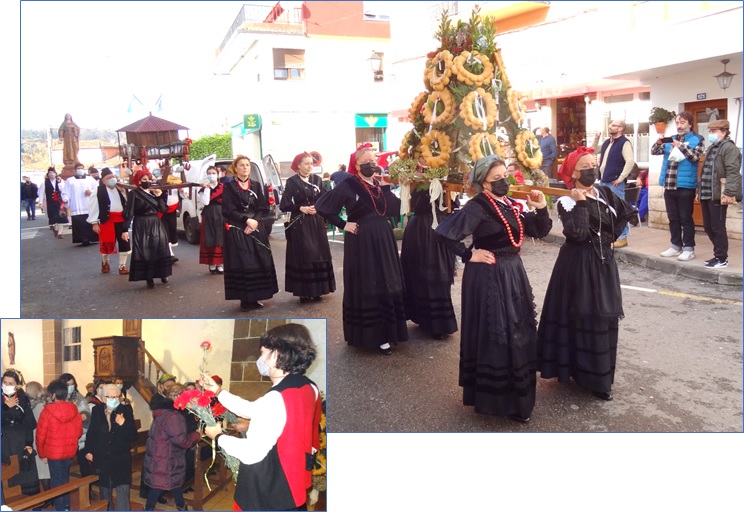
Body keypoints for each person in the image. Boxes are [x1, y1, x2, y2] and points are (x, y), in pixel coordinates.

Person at [434, 155, 552, 422]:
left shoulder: (509, 203)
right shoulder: (478, 206)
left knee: (516, 330)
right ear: (483, 183)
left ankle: (516, 395)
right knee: (498, 333)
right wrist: (468, 255)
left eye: (504, 176)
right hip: (489, 274)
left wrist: (541, 208)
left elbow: (539, 231)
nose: (502, 182)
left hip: (513, 272)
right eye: (496, 179)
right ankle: (498, 399)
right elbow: (443, 234)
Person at [538, 147, 637, 401]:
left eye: (594, 164)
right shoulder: (566, 200)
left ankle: (600, 376)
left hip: (603, 262)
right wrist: (581, 203)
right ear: (573, 172)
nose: (592, 169)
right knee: (584, 316)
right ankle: (583, 374)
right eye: (585, 166)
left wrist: (610, 237)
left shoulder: (603, 191)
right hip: (578, 265)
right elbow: (578, 233)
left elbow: (625, 212)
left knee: (604, 317)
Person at [202, 323, 322, 512]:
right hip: (293, 484)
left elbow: (251, 453)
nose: (260, 359)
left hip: (268, 491)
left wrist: (218, 437)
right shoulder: (308, 386)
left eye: (263, 352)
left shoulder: (276, 398)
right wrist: (217, 391)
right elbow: (254, 410)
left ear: (276, 354)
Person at [315, 145, 408, 355]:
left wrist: (389, 187)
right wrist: (343, 224)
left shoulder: (377, 184)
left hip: (384, 237)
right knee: (369, 282)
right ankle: (375, 336)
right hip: (362, 240)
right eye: (365, 161)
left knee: (387, 281)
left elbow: (394, 209)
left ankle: (390, 331)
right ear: (356, 165)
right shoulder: (348, 184)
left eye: (373, 160)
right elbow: (322, 206)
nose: (371, 164)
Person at [221, 155, 279, 311]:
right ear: (235, 168)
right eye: (241, 165)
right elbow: (228, 210)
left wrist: (254, 222)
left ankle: (256, 296)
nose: (245, 167)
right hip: (238, 229)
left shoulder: (256, 185)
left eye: (247, 165)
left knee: (259, 261)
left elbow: (263, 207)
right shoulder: (229, 187)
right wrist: (245, 221)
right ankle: (245, 300)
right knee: (244, 263)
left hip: (255, 227)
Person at [400, 186, 458, 340]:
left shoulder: (447, 180)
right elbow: (414, 203)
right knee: (419, 273)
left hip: (437, 228)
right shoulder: (414, 180)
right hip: (422, 229)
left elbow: (454, 204)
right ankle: (422, 316)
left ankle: (438, 322)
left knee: (438, 273)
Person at [279, 152, 336, 303]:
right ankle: (304, 291)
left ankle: (319, 289)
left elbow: (324, 198)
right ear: (298, 165)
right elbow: (284, 204)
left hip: (316, 222)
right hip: (300, 223)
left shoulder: (317, 180)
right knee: (304, 254)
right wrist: (300, 208)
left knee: (318, 253)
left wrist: (318, 208)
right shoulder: (291, 182)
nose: (310, 166)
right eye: (307, 163)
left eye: (311, 163)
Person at [652, 111, 704, 261]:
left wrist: (680, 146)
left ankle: (689, 248)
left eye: (682, 123)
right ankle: (675, 245)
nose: (679, 126)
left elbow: (695, 157)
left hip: (685, 186)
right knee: (673, 218)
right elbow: (654, 152)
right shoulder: (671, 139)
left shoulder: (697, 139)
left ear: (690, 124)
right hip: (669, 184)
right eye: (677, 123)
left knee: (685, 218)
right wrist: (658, 142)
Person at [142, 383, 200, 511]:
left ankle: (181, 506)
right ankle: (149, 508)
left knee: (172, 483)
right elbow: (182, 441)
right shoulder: (173, 416)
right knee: (160, 485)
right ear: (178, 396)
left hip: (164, 456)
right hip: (165, 458)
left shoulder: (164, 412)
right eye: (185, 396)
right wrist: (197, 435)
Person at [83, 383, 138, 511]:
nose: (113, 400)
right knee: (105, 490)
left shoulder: (126, 410)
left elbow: (133, 436)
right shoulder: (96, 411)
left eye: (116, 397)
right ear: (102, 399)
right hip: (103, 457)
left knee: (122, 490)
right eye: (109, 397)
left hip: (121, 457)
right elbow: (92, 432)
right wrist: (88, 450)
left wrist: (123, 423)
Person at [698, 119, 743, 269]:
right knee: (708, 227)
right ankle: (717, 254)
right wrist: (699, 190)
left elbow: (732, 171)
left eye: (714, 131)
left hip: (717, 194)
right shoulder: (712, 147)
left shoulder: (729, 148)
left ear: (724, 132)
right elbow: (705, 171)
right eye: (710, 131)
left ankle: (721, 258)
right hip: (706, 193)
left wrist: (729, 192)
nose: (711, 134)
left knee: (717, 227)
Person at [36, 379, 83, 512]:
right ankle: (66, 506)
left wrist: (42, 454)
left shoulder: (47, 411)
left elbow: (40, 436)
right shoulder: (73, 408)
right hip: (69, 451)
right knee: (64, 479)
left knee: (56, 482)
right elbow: (79, 432)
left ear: (53, 394)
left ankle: (60, 508)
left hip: (53, 453)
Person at [123, 169, 174, 288]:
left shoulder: (154, 193)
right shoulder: (134, 194)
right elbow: (129, 212)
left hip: (156, 222)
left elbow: (163, 209)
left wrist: (159, 196)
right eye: (144, 180)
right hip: (141, 223)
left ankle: (163, 273)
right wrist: (125, 229)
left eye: (149, 179)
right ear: (139, 181)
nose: (147, 181)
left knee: (160, 247)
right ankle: (148, 276)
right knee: (145, 249)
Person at [2, 369, 40, 497]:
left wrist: (29, 443)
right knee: (8, 477)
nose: (7, 386)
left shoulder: (22, 398)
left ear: (17, 385)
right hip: (5, 444)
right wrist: (6, 407)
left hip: (21, 442)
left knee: (26, 475)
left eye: (10, 383)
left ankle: (35, 505)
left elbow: (30, 423)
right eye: (5, 382)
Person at [598, 119, 635, 248]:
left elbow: (630, 161)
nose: (610, 126)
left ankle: (623, 237)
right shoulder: (607, 142)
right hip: (604, 180)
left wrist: (621, 178)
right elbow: (592, 149)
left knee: (619, 209)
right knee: (607, 210)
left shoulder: (624, 143)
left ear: (620, 129)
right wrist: (596, 139)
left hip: (615, 182)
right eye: (610, 124)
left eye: (614, 125)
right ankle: (611, 235)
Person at [87, 168, 132, 275]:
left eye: (113, 177)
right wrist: (94, 223)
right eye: (109, 178)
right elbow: (93, 206)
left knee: (124, 243)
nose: (112, 179)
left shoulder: (121, 188)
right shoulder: (99, 190)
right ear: (103, 181)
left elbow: (129, 203)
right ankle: (105, 262)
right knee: (106, 243)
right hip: (106, 220)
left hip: (121, 220)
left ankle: (122, 266)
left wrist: (124, 192)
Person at [59, 373, 93, 485]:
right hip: (64, 437)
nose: (70, 387)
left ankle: (88, 488)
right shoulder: (58, 397)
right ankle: (62, 490)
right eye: (68, 384)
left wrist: (84, 414)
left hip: (80, 436)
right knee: (64, 466)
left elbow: (85, 408)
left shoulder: (78, 397)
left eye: (72, 384)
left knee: (84, 464)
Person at [63, 162, 99, 246]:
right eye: (78, 169)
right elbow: (66, 192)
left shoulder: (90, 179)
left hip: (88, 204)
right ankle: (82, 239)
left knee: (89, 221)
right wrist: (65, 199)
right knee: (80, 223)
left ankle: (92, 238)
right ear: (75, 170)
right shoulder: (70, 180)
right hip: (77, 205)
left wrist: (91, 192)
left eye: (81, 168)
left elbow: (97, 188)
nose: (80, 170)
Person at [197, 165, 225, 274]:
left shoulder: (224, 187)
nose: (211, 175)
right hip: (208, 214)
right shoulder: (203, 189)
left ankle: (220, 263)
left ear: (218, 175)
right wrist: (206, 189)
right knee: (209, 238)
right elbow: (206, 202)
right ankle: (211, 263)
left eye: (213, 173)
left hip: (221, 213)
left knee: (220, 238)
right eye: (209, 173)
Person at [25, 381, 51, 496]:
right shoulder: (35, 405)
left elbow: (42, 426)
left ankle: (49, 497)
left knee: (44, 472)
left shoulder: (39, 406)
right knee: (42, 472)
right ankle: (48, 496)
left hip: (40, 440)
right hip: (36, 439)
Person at [41, 166, 67, 239]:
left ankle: (60, 233)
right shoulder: (44, 183)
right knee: (53, 217)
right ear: (48, 174)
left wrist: (59, 182)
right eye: (50, 172)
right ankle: (55, 228)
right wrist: (40, 202)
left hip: (59, 202)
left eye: (53, 172)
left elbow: (63, 190)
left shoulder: (60, 181)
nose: (51, 174)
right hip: (50, 202)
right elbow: (41, 193)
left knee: (61, 217)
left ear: (56, 174)